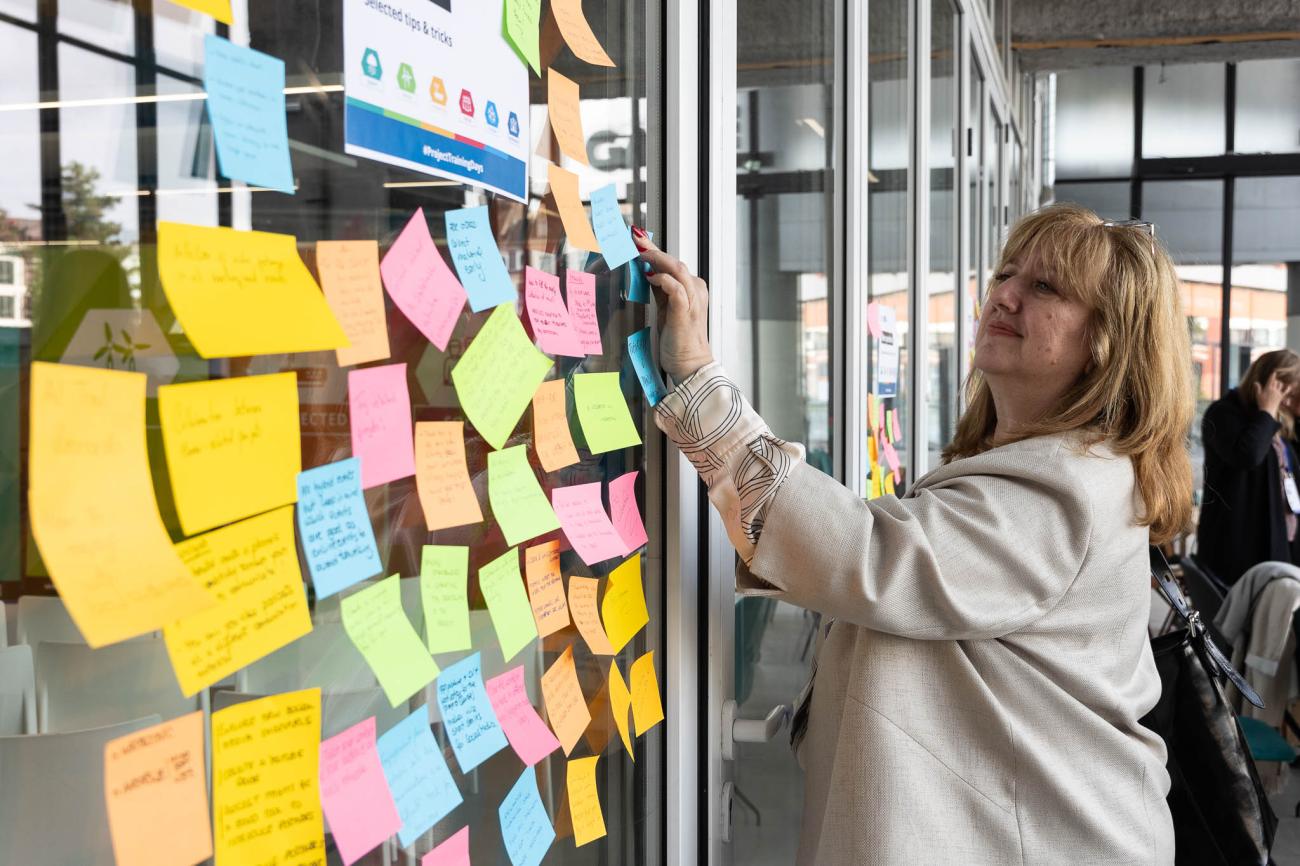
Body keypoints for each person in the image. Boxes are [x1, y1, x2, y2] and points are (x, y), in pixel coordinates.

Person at [632, 203, 1189, 864]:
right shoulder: (1043, 469)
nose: (1003, 296)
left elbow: (866, 557)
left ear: (1106, 341)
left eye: (1045, 287)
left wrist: (699, 380)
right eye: (1007, 274)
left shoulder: (1062, 490)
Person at [1197, 350, 1300, 585]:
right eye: (1284, 392)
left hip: (1278, 540)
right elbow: (1247, 455)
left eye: (1292, 395)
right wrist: (1267, 410)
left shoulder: (1276, 423)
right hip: (1236, 544)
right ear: (1267, 382)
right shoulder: (1223, 413)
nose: (1286, 402)